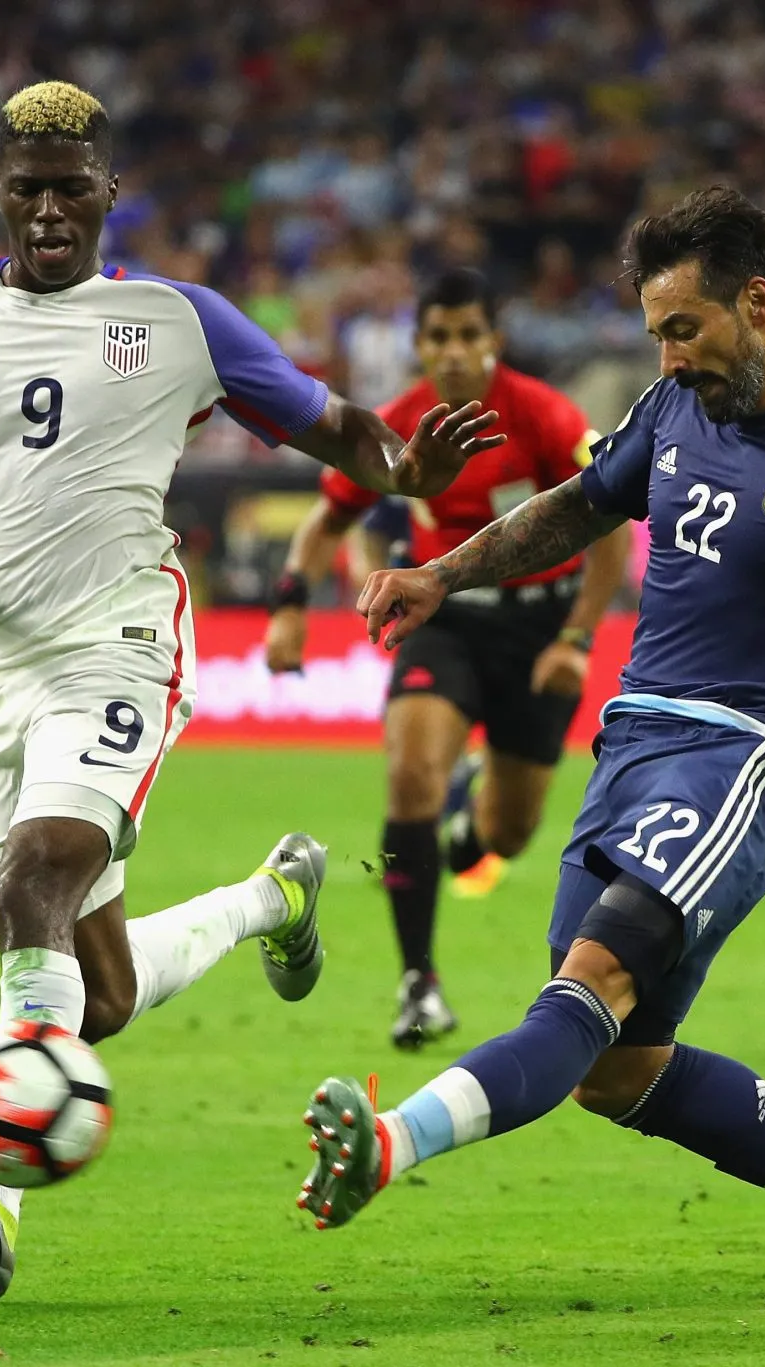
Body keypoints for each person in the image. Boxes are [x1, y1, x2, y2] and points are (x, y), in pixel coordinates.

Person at [0, 82, 504, 1302]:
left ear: (111, 192)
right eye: (28, 189)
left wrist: (404, 468)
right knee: (92, 992)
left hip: (120, 640)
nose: (50, 211)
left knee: (34, 874)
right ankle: (273, 897)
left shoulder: (177, 321)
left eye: (73, 188)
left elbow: (335, 427)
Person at [292, 187, 765, 1319]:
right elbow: (578, 507)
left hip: (750, 756)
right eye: (655, 335)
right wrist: (442, 574)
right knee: (612, 1066)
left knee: (584, 989)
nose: (669, 357)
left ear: (759, 302)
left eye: (684, 329)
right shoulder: (675, 406)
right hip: (633, 741)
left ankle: (388, 1144)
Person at [265, 268, 629, 1049]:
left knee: (508, 835)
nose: (455, 352)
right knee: (409, 774)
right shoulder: (400, 423)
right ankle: (418, 983)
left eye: (469, 335)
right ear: (420, 345)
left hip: (539, 630)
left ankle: (470, 820)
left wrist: (575, 639)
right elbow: (327, 519)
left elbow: (611, 528)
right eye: (439, 337)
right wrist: (290, 603)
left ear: (495, 338)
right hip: (444, 619)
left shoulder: (544, 415)